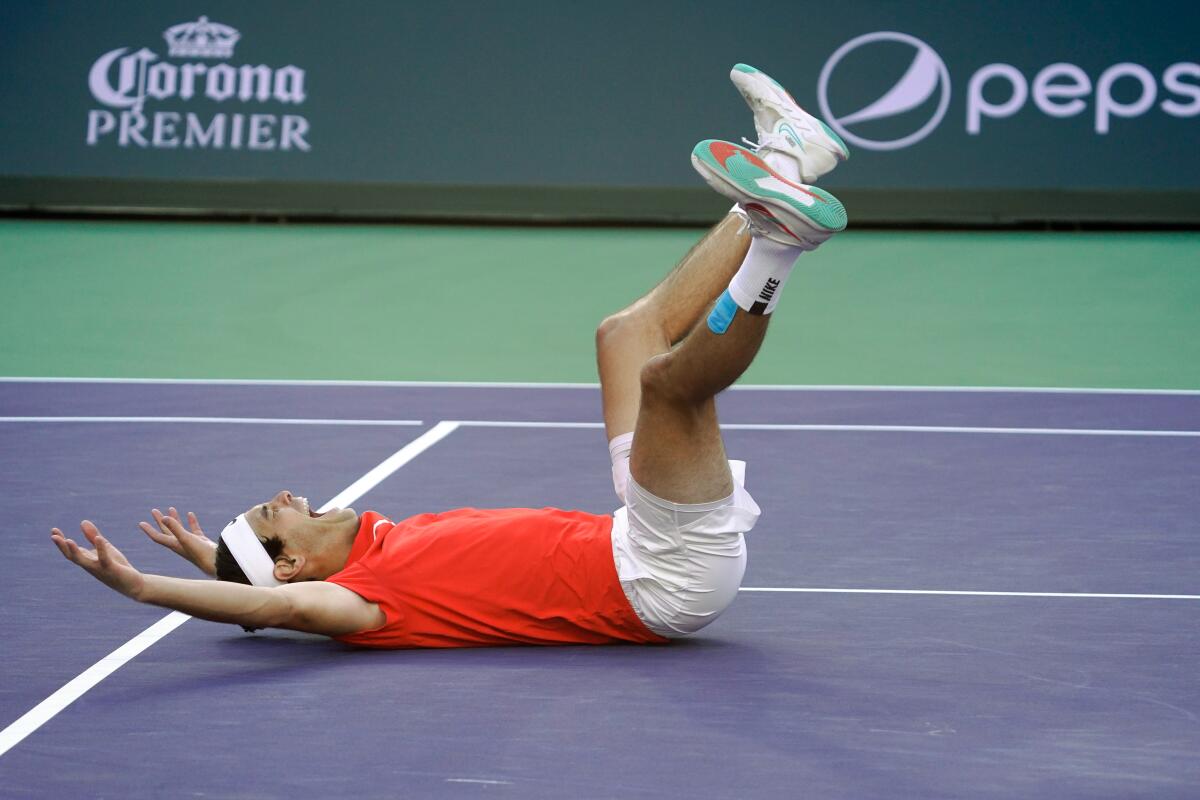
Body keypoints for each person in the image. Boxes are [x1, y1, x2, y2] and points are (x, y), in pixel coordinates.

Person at [50, 64, 849, 648]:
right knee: (667, 388)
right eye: (274, 513)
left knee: (622, 335)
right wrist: (146, 587)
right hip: (663, 578)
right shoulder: (360, 601)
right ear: (292, 564)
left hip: (630, 533)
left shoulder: (362, 545)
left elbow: (261, 585)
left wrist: (222, 559)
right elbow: (281, 609)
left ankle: (788, 166)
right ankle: (780, 245)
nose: (289, 494)